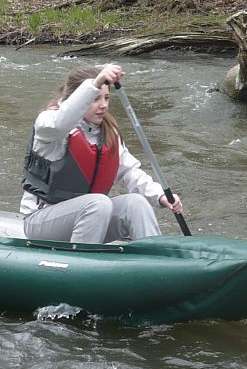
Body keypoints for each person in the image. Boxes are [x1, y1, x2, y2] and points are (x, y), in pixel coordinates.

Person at [20, 63, 183, 243]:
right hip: (42, 221)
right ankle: (81, 264)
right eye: (95, 98)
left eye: (106, 98)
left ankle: (154, 262)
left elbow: (130, 172)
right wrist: (94, 84)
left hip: (91, 218)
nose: (103, 105)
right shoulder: (48, 123)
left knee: (136, 204)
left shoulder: (107, 132)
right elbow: (60, 123)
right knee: (98, 203)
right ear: (77, 98)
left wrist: (160, 196)